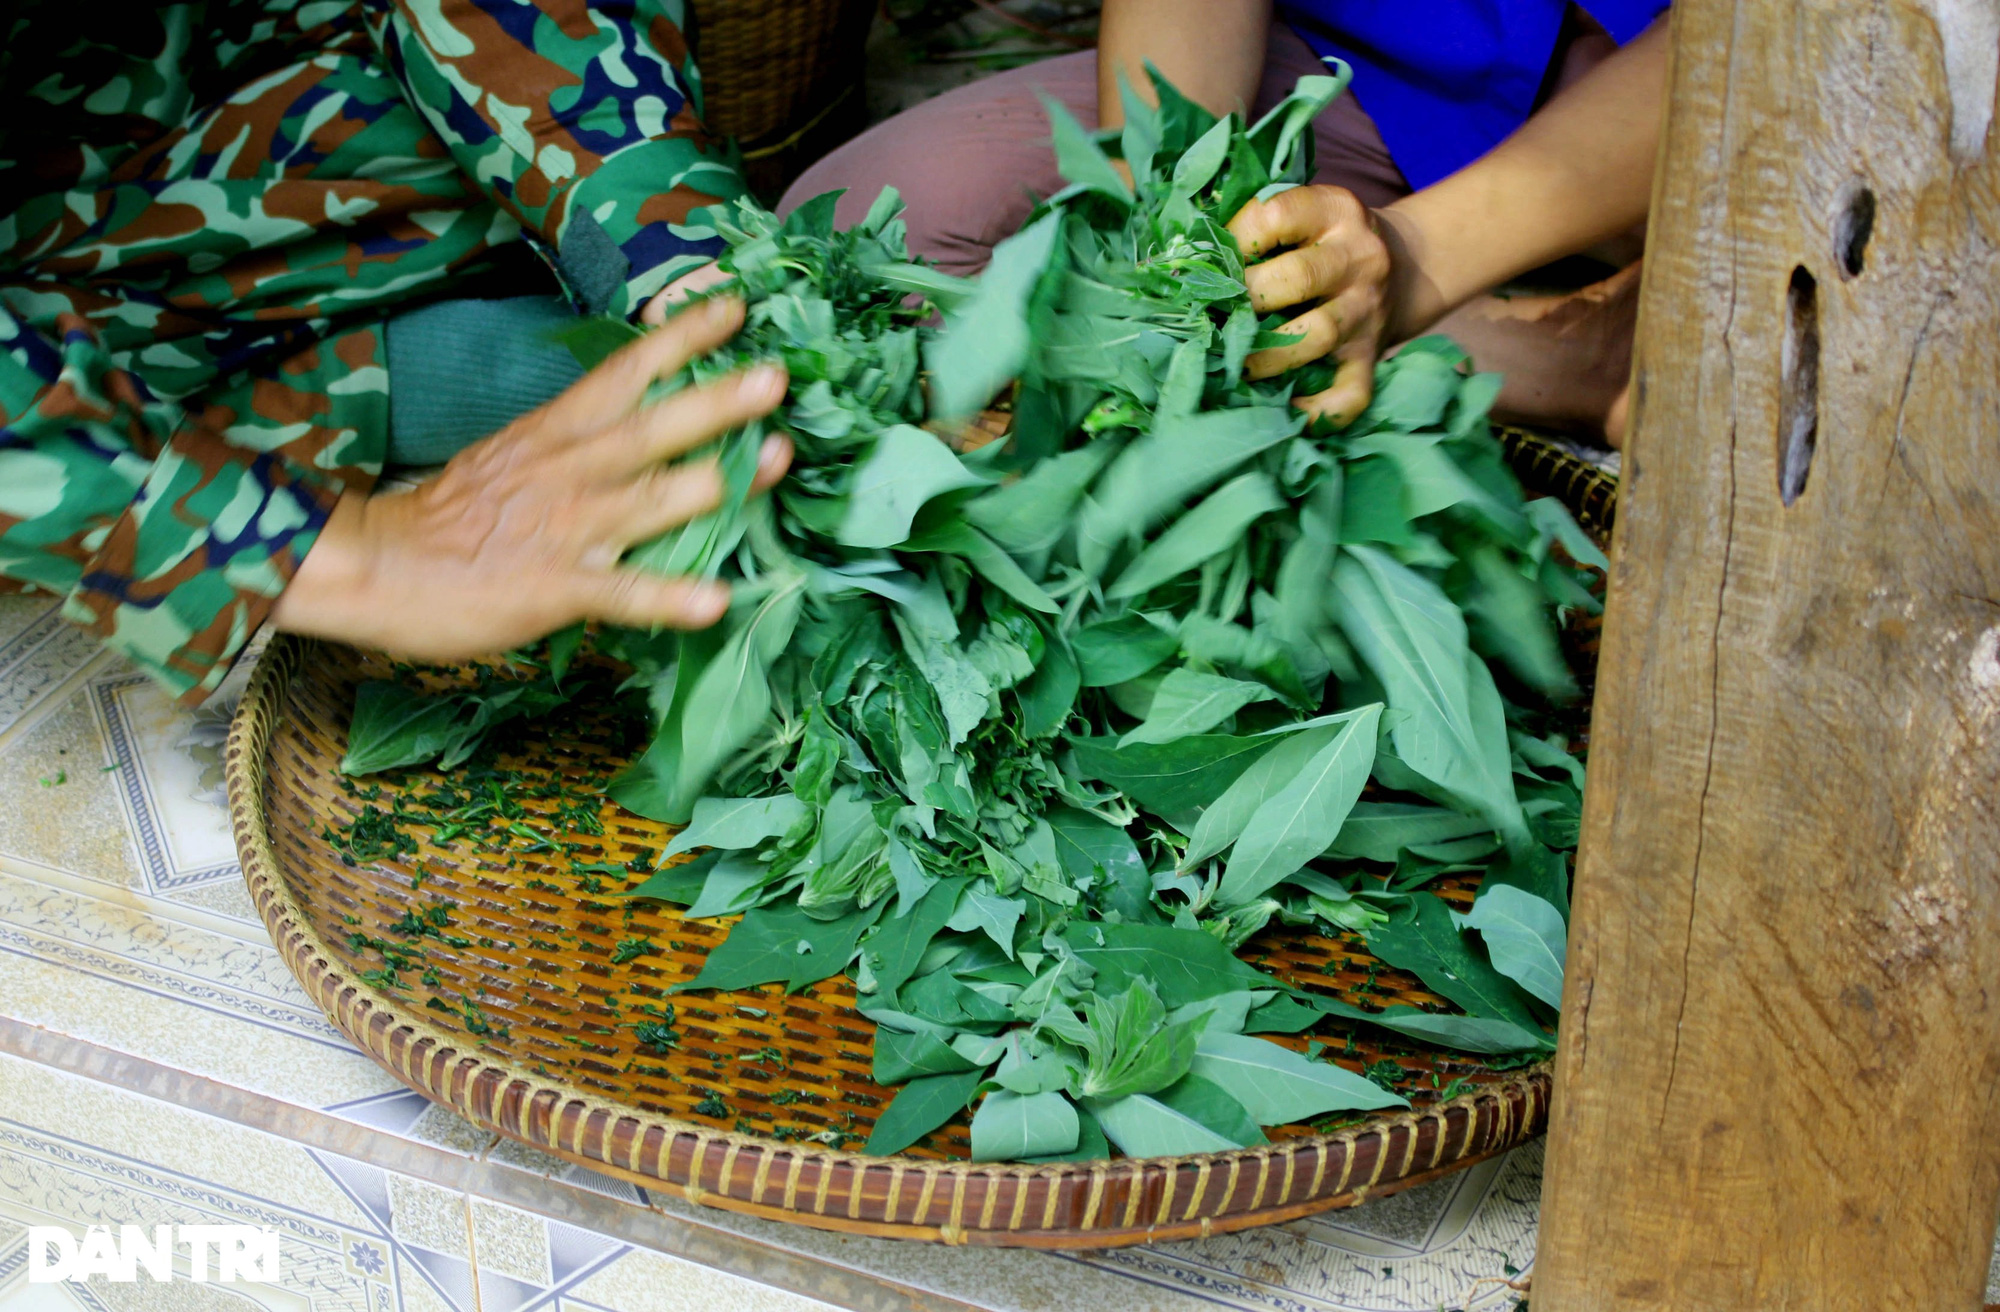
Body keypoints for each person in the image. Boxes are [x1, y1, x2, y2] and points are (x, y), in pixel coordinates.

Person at [0, 0, 788, 707]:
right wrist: (346, 560)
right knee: (75, 365)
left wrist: (678, 253)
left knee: (421, 124)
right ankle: (383, 372)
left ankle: (399, 346)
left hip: (141, 66)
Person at [782, 0, 1668, 440]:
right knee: (859, 241)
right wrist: (1149, 212)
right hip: (1367, 70)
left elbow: (1774, 51)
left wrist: (1416, 254)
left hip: (1689, 102)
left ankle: (1537, 319)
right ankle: (1539, 350)